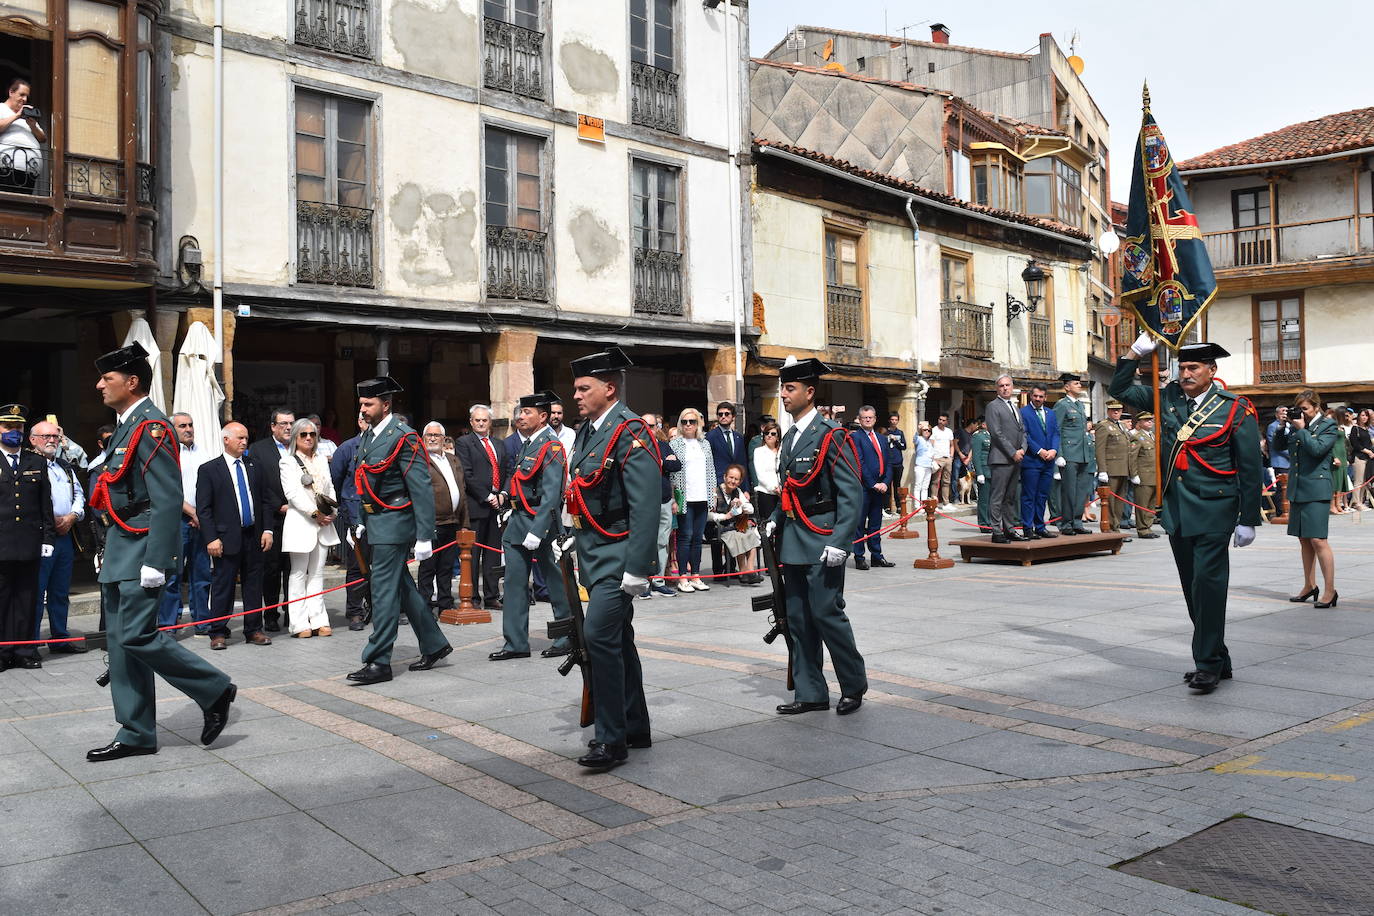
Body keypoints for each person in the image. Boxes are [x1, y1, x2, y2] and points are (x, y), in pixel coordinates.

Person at [86, 343, 236, 760]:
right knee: (120, 643)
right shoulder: (124, 424)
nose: (99, 385)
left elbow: (167, 498)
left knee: (136, 634)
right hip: (121, 544)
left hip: (141, 546)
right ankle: (135, 731)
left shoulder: (151, 425)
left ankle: (214, 688)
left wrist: (157, 559)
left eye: (107, 378)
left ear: (131, 382)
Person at [1111, 336, 1262, 694]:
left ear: (1212, 370)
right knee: (1193, 589)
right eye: (1182, 367)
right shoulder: (1168, 398)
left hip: (1215, 508)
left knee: (1208, 586)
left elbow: (1250, 467)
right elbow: (1120, 389)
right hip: (1177, 510)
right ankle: (1218, 658)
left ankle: (1206, 664)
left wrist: (1249, 518)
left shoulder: (1234, 408)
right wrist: (1135, 353)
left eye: (1194, 367)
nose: (1186, 373)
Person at [565, 347, 660, 770]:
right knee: (618, 638)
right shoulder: (587, 431)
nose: (577, 396)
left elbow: (645, 505)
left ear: (609, 387)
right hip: (593, 549)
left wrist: (639, 567)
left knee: (599, 638)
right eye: (575, 389)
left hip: (619, 552)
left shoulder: (630, 430)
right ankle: (635, 726)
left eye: (584, 388)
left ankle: (611, 739)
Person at [764, 356, 866, 717]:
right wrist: (776, 519)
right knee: (798, 618)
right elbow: (790, 489)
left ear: (809, 392)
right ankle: (810, 691)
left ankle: (853, 685)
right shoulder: (790, 436)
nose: (784, 394)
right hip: (792, 539)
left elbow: (851, 494)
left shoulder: (830, 434)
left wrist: (841, 541)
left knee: (827, 613)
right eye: (782, 388)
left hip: (822, 538)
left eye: (790, 388)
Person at [346, 376, 452, 686]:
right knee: (402, 586)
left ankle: (379, 661)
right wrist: (363, 518)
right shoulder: (370, 436)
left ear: (386, 405)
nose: (363, 409)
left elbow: (419, 486)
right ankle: (434, 644)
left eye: (369, 404)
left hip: (395, 522)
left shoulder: (403, 436)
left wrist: (424, 534)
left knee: (383, 593)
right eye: (361, 403)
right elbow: (366, 480)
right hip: (377, 519)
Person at [492, 391, 572, 660]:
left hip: (543, 524)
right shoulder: (528, 443)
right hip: (518, 522)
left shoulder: (551, 446)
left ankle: (566, 637)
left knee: (555, 584)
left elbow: (552, 493)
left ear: (543, 416)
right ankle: (515, 643)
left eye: (527, 412)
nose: (520, 416)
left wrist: (538, 531)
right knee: (514, 583)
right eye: (520, 412)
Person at [197, 422, 274, 649]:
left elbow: (265, 501)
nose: (244, 442)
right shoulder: (210, 469)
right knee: (223, 584)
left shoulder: (254, 466)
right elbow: (204, 508)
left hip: (253, 534)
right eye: (239, 438)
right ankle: (218, 631)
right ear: (226, 440)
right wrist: (210, 538)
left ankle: (253, 629)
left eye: (246, 438)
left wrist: (268, 529)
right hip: (225, 536)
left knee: (253, 585)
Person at [1, 404, 54, 670]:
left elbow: (46, 504)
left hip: (29, 543)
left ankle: (23, 651)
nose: (13, 432)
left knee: (26, 599)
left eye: (18, 427)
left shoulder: (36, 461)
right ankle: (1, 654)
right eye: (8, 427)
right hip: (2, 544)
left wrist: (48, 539)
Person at [28, 419, 86, 653]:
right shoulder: (28, 464)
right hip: (40, 537)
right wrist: (51, 520)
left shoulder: (65, 466)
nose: (52, 440)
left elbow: (79, 494)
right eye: (46, 437)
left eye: (55, 436)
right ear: (33, 440)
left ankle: (59, 638)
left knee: (60, 591)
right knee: (36, 590)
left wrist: (73, 516)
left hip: (65, 535)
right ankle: (30, 643)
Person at [1279, 390, 1339, 608]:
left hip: (1316, 489)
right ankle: (1309, 586)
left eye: (1304, 409)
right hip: (1298, 488)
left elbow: (1317, 450)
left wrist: (1302, 429)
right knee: (1303, 539)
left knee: (1318, 540)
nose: (1300, 413)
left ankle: (1330, 590)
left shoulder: (1328, 425)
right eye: (1298, 409)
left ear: (1316, 407)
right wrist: (1281, 425)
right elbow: (1278, 447)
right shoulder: (1296, 426)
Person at [280, 417, 339, 637]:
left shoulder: (322, 459)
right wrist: (315, 514)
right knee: (297, 573)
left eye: (312, 434)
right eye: (303, 434)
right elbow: (293, 494)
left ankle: (319, 619)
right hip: (301, 523)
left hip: (323, 524)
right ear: (296, 437)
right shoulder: (288, 462)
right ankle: (298, 623)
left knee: (317, 573)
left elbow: (330, 487)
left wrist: (332, 510)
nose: (308, 438)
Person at [160, 413, 212, 631]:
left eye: (191, 425)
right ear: (172, 429)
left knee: (201, 573)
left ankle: (202, 622)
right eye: (182, 426)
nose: (188, 429)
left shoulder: (204, 452)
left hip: (201, 519)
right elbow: (168, 490)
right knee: (173, 574)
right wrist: (192, 513)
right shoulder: (167, 454)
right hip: (177, 519)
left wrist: (202, 514)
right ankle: (169, 624)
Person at [455, 404, 506, 610]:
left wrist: (502, 494)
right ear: (471, 422)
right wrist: (486, 496)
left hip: (497, 506)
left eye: (485, 420)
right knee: (473, 554)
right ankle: (473, 597)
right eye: (477, 420)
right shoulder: (464, 442)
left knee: (493, 553)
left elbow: (508, 470)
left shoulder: (499, 445)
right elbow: (466, 474)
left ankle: (492, 595)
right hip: (476, 506)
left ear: (490, 422)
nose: (481, 423)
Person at [248, 408, 294, 632]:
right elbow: (259, 484)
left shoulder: (300, 446)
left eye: (291, 423)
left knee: (293, 568)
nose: (288, 428)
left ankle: (292, 612)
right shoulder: (258, 450)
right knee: (272, 569)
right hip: (272, 518)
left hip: (298, 518)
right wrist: (279, 505)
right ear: (273, 426)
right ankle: (271, 613)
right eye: (283, 423)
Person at [419, 421, 469, 614]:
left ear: (443, 438)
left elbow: (462, 492)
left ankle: (445, 604)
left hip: (452, 522)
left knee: (447, 567)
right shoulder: (420, 460)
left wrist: (464, 523)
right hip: (431, 523)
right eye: (429, 435)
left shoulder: (453, 460)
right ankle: (424, 607)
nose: (432, 438)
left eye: (436, 435)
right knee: (428, 568)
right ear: (423, 439)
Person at [668, 407, 715, 592]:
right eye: (685, 421)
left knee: (697, 538)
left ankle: (695, 574)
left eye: (692, 421)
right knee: (685, 536)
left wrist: (712, 494)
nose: (688, 425)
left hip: (702, 496)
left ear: (698, 424)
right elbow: (671, 474)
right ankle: (682, 576)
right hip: (684, 496)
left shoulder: (705, 444)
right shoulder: (675, 444)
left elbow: (711, 470)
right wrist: (673, 498)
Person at [330, 412, 369, 630]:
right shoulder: (347, 448)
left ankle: (375, 606)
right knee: (356, 566)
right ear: (359, 421)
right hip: (354, 512)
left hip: (377, 515)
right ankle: (354, 611)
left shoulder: (383, 445)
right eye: (364, 419)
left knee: (378, 565)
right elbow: (335, 479)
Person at [850, 405, 895, 568]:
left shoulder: (882, 438)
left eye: (870, 417)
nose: (868, 420)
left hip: (880, 487)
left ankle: (877, 555)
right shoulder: (856, 437)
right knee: (860, 523)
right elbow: (859, 462)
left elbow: (888, 462)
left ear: (875, 419)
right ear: (860, 420)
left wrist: (885, 482)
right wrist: (872, 483)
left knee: (876, 523)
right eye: (864, 418)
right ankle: (859, 557)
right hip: (864, 487)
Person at [985, 375, 1027, 543]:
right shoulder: (993, 406)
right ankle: (996, 531)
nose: (1005, 388)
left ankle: (1009, 529)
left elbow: (1022, 431)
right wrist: (1012, 452)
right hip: (1002, 458)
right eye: (1001, 386)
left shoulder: (1015, 407)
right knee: (997, 496)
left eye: (1007, 385)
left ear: (1012, 386)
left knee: (1010, 497)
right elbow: (996, 433)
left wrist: (1023, 449)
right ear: (997, 388)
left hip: (1016, 458)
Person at [643, 412, 679, 599]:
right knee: (644, 543)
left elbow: (677, 465)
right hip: (643, 502)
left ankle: (658, 581)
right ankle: (643, 583)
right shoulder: (636, 447)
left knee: (662, 542)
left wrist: (662, 462)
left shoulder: (663, 446)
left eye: (653, 425)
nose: (650, 429)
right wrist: (663, 463)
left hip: (664, 499)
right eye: (646, 425)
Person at [1053, 373, 1093, 536]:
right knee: (1069, 490)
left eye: (1079, 383)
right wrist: (1059, 454)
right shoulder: (1062, 405)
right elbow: (1057, 430)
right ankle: (1066, 523)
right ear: (1067, 386)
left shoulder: (1080, 405)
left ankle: (1077, 521)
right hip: (1069, 453)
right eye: (1075, 383)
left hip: (1082, 453)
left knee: (1081, 490)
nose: (1079, 385)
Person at [709, 464, 761, 584]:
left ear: (740, 481)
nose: (733, 481)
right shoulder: (715, 492)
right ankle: (743, 572)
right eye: (731, 477)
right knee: (738, 536)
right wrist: (725, 516)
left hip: (732, 527)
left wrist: (741, 505)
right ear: (725, 477)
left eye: (736, 479)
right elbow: (708, 516)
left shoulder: (737, 491)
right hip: (718, 528)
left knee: (750, 535)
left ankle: (750, 571)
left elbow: (751, 508)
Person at [1019, 385, 1059, 538]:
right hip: (1031, 460)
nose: (1038, 399)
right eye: (1035, 396)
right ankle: (1028, 528)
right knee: (1029, 496)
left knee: (1042, 495)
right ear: (1031, 396)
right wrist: (1039, 451)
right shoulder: (1023, 412)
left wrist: (1054, 450)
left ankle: (1040, 527)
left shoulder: (1051, 413)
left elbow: (1056, 433)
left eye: (1041, 396)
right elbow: (1025, 435)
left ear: (1045, 397)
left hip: (1048, 461)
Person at [1093, 400, 1135, 536]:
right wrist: (1102, 470)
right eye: (1113, 410)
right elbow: (1100, 449)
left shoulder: (1121, 426)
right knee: (1110, 501)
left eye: (1118, 410)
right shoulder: (1103, 426)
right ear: (1108, 411)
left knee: (1119, 501)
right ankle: (1110, 527)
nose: (1116, 412)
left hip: (1123, 468)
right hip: (1111, 468)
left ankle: (1116, 526)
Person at [0, 78, 46, 194]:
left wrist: (33, 126)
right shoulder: (1, 108)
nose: (25, 99)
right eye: (22, 94)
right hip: (6, 168)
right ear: (11, 92)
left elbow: (43, 138)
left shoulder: (26, 116)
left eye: (27, 96)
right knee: (9, 206)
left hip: (30, 170)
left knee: (25, 207)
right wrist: (17, 116)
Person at [1131, 412, 1161, 538]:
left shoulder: (1153, 436)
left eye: (1151, 420)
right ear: (1140, 423)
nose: (1150, 422)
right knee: (1143, 503)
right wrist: (1134, 474)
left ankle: (1148, 527)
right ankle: (1142, 529)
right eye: (1146, 420)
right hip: (1143, 475)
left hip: (1154, 476)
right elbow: (1132, 457)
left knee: (1151, 504)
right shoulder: (1137, 437)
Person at [706, 401, 749, 489]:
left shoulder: (739, 437)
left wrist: (746, 489)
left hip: (737, 485)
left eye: (726, 414)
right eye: (720, 414)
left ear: (733, 416)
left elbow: (743, 464)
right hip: (718, 485)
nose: (723, 417)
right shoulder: (710, 437)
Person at [751, 420, 782, 522]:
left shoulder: (782, 451)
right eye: (766, 433)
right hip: (766, 493)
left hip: (782, 492)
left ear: (777, 437)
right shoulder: (759, 451)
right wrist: (774, 488)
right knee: (768, 524)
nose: (769, 436)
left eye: (773, 434)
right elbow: (760, 474)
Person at [1349, 408, 1374, 510]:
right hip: (1359, 457)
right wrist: (1368, 451)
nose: (1364, 417)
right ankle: (1356, 502)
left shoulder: (1366, 429)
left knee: (1364, 481)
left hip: (1367, 458)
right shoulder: (1355, 429)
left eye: (1366, 415)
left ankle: (1360, 501)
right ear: (1358, 416)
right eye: (1362, 415)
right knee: (1358, 481)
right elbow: (1355, 444)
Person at [970, 417, 992, 530]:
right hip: (984, 470)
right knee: (984, 499)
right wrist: (979, 473)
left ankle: (991, 522)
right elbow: (976, 456)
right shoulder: (978, 436)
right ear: (983, 424)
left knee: (992, 499)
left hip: (993, 471)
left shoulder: (991, 435)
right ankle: (984, 523)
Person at [928, 414, 955, 505]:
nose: (941, 421)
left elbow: (952, 445)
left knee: (946, 481)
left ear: (947, 422)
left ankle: (946, 502)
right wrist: (933, 459)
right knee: (935, 481)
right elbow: (930, 445)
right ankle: (934, 501)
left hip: (947, 458)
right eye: (940, 419)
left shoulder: (949, 431)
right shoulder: (934, 430)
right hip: (937, 458)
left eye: (943, 420)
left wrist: (951, 456)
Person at [885, 413, 908, 514]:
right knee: (887, 486)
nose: (894, 421)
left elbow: (904, 446)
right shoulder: (885, 432)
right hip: (888, 463)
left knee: (897, 485)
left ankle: (899, 506)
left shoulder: (900, 432)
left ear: (898, 421)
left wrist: (896, 441)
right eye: (892, 419)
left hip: (898, 463)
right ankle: (887, 507)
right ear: (889, 420)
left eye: (896, 420)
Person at [910, 422, 933, 502]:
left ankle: (924, 505)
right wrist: (918, 429)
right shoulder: (919, 439)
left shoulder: (930, 442)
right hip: (920, 466)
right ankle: (917, 506)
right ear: (921, 431)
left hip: (928, 466)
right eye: (925, 430)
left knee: (925, 487)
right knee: (918, 486)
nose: (927, 431)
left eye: (929, 430)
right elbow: (914, 439)